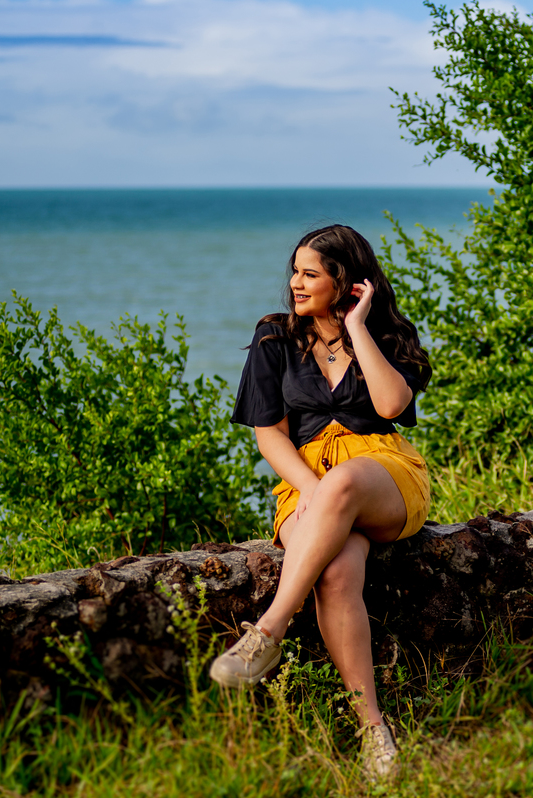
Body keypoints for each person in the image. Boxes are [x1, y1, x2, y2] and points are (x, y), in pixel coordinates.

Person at [209, 224, 431, 779]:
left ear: (345, 281)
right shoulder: (274, 337)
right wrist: (314, 491)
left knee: (347, 482)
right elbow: (269, 435)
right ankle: (374, 732)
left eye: (310, 274)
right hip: (305, 482)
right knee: (336, 575)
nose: (295, 283)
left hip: (382, 474)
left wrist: (357, 328)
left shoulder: (387, 334)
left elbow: (391, 405)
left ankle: (268, 631)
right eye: (295, 271)